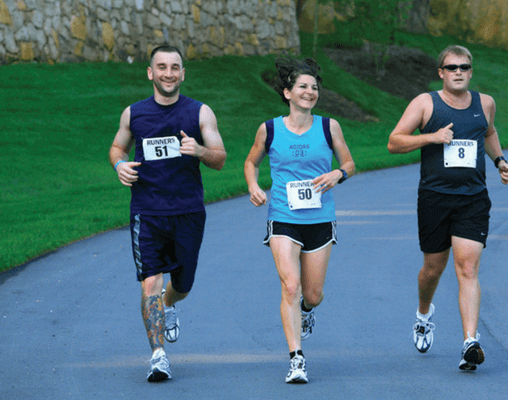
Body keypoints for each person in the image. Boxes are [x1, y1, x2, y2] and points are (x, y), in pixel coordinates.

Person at [387, 45, 508, 371]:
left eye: (464, 66)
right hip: (434, 198)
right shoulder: (425, 103)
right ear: (441, 72)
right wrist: (431, 138)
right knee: (433, 268)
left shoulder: (485, 103)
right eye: (452, 66)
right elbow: (394, 142)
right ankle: (424, 313)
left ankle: (470, 342)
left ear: (471, 72)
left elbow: (489, 132)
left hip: (473, 199)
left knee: (467, 269)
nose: (458, 71)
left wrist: (499, 160)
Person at [108, 45, 227, 382]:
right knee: (149, 281)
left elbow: (220, 158)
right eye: (161, 67)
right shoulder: (134, 114)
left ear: (183, 73)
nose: (168, 73)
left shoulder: (200, 113)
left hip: (188, 210)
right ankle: (158, 356)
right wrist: (119, 163)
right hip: (147, 212)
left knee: (183, 283)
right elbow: (118, 146)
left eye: (175, 67)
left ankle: (169, 304)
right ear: (150, 73)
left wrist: (199, 150)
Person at [244, 56, 355, 383]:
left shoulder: (328, 126)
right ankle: (296, 359)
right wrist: (253, 185)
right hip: (283, 216)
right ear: (287, 92)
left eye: (314, 88)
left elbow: (348, 162)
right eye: (303, 87)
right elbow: (251, 162)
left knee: (313, 294)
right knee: (289, 286)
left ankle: (306, 312)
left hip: (321, 218)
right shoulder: (270, 129)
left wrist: (338, 173)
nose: (310, 92)